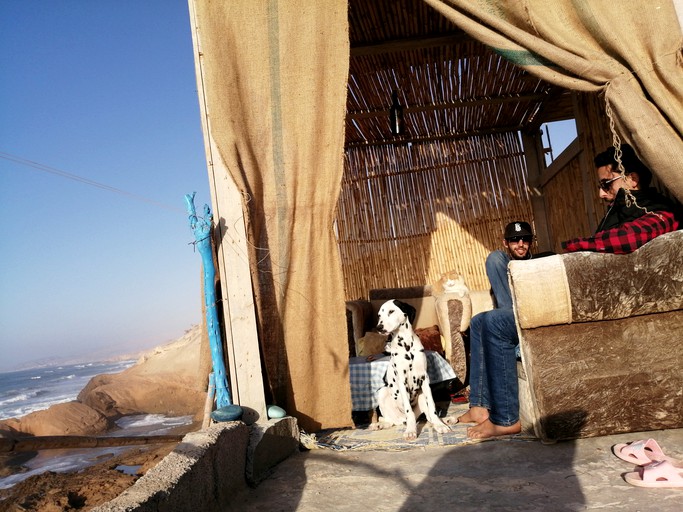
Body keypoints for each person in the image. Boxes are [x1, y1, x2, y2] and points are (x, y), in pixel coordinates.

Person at [458, 221, 550, 439]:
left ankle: (506, 419)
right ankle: (479, 406)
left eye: (525, 239)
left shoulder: (540, 260)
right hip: (510, 316)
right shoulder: (503, 263)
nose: (520, 244)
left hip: (530, 317)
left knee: (494, 320)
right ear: (506, 243)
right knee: (479, 321)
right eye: (514, 240)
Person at [562, 144, 680, 253]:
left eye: (606, 184)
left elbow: (628, 239)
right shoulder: (617, 211)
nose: (601, 194)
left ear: (632, 179)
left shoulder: (662, 211)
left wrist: (576, 245)